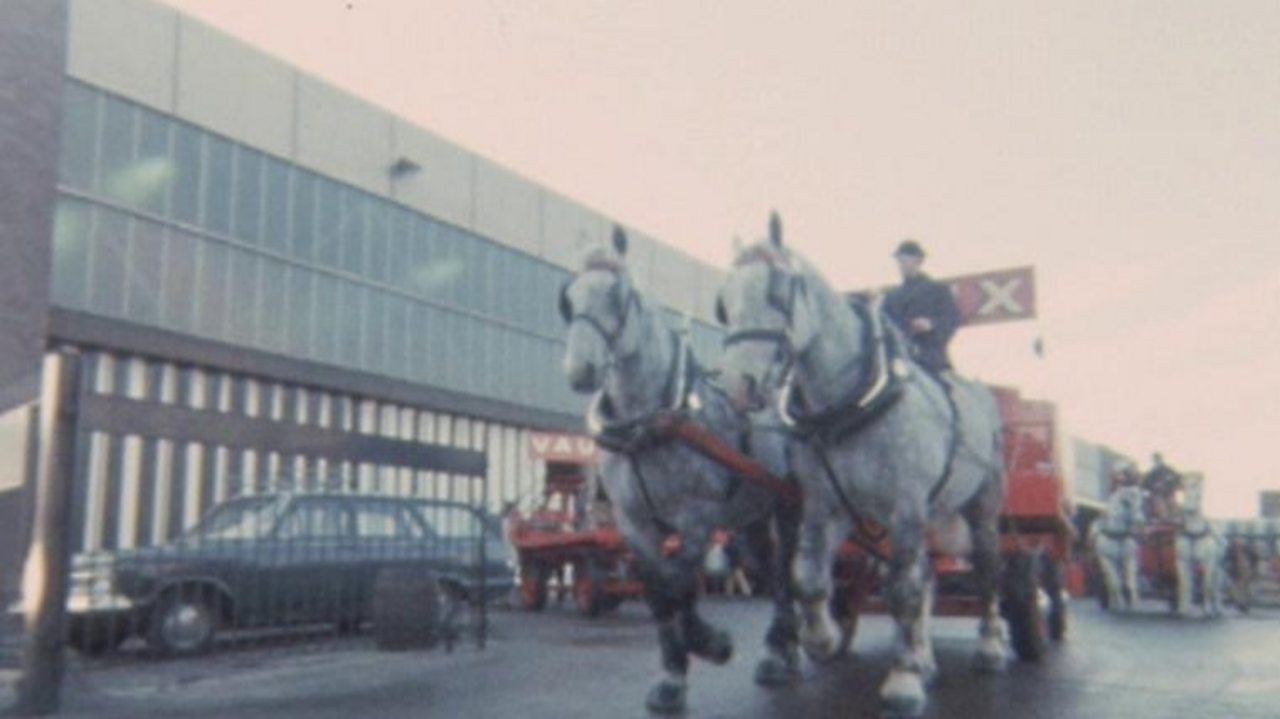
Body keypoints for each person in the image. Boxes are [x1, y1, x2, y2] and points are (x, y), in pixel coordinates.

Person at [883, 239, 962, 374]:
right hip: (899, 359)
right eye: (900, 261)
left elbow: (951, 319)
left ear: (918, 261)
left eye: (905, 260)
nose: (901, 265)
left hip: (931, 359)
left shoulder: (938, 290)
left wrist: (931, 325)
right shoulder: (891, 297)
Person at [1142, 452, 1183, 521]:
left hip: (1169, 493)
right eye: (1155, 460)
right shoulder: (1151, 473)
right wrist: (1153, 486)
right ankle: (1163, 518)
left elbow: (1178, 478)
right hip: (1157, 495)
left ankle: (1174, 517)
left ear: (1161, 460)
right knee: (1157, 504)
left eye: (1158, 459)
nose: (1157, 461)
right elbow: (1145, 484)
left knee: (1172, 504)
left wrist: (1172, 484)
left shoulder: (1169, 470)